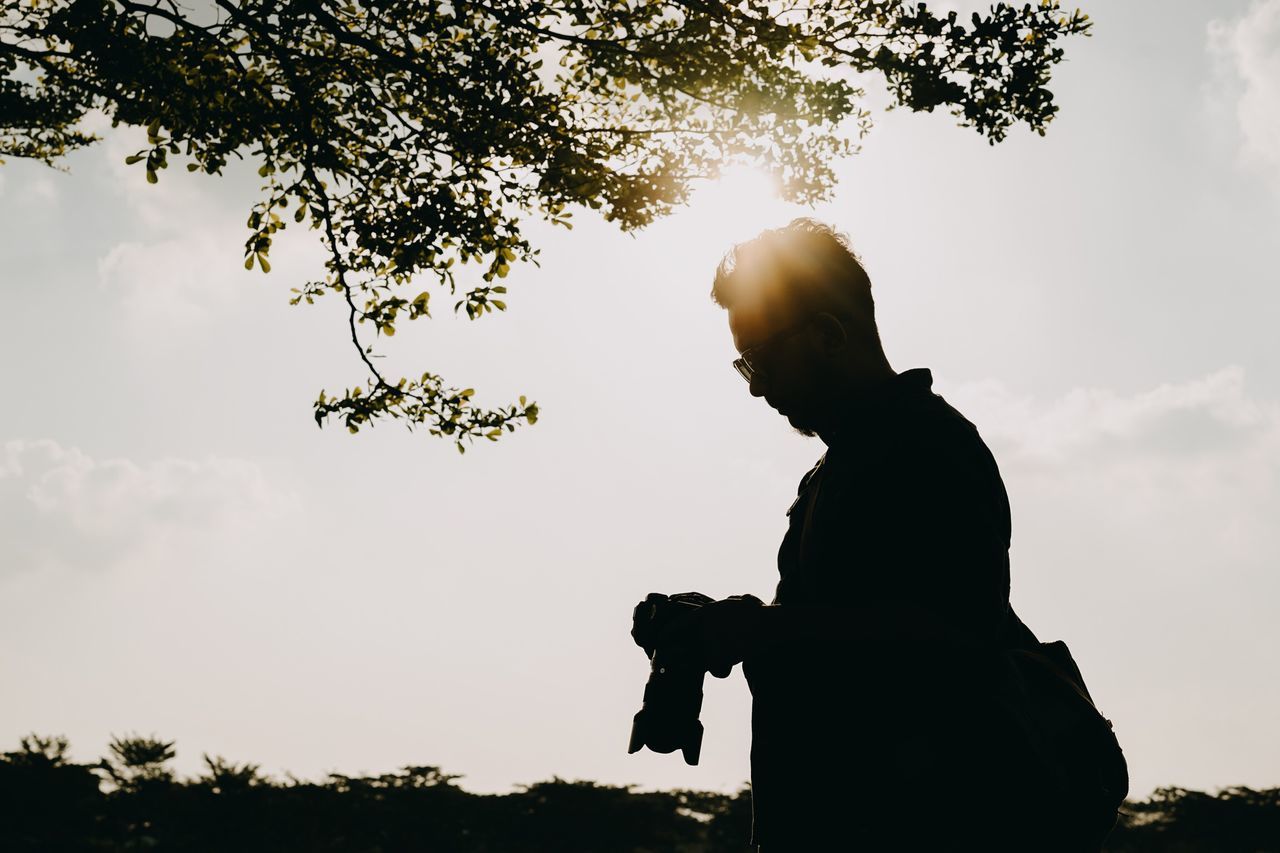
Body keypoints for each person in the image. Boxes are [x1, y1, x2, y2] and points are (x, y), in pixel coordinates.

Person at [662, 218, 1058, 850]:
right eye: (745, 366)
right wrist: (739, 623)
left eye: (762, 360)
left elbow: (958, 632)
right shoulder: (837, 468)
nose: (758, 388)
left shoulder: (926, 445)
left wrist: (763, 630)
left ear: (827, 333)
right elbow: (844, 625)